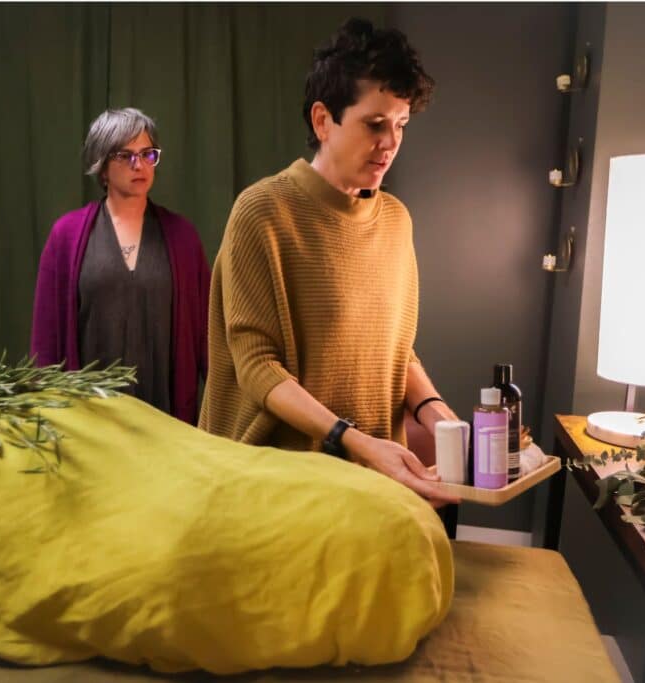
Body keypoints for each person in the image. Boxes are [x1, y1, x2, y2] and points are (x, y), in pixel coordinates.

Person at [200, 19, 459, 505]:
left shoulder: (396, 222)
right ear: (323, 120)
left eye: (401, 125)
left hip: (374, 483)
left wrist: (438, 416)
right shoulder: (263, 213)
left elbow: (394, 353)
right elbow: (257, 368)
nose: (390, 143)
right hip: (273, 483)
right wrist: (358, 443)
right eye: (375, 124)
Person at [31, 108, 210, 424]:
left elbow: (209, 340)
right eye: (125, 156)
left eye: (147, 154)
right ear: (101, 166)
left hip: (168, 424)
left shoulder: (183, 237)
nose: (138, 165)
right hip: (91, 423)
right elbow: (45, 345)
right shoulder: (66, 236)